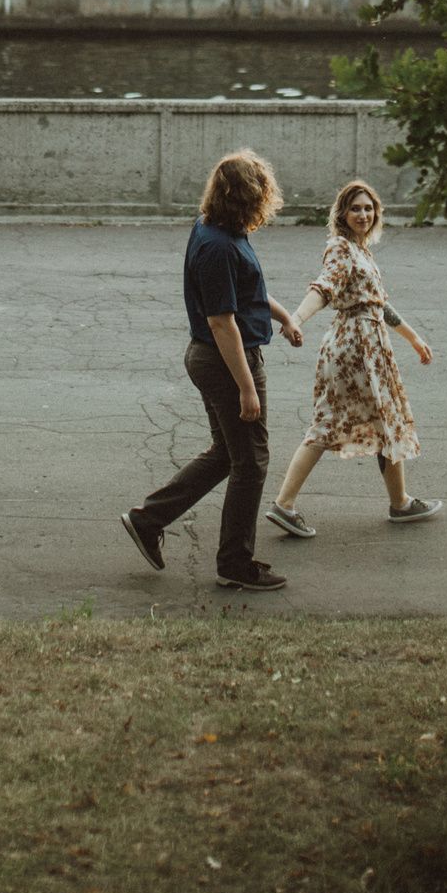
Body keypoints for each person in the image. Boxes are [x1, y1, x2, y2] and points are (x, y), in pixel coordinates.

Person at [118, 150, 305, 591]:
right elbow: (222, 323)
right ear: (247, 197)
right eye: (261, 194)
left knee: (228, 454)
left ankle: (148, 520)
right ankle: (234, 563)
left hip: (216, 359)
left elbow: (248, 293)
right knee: (252, 462)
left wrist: (285, 318)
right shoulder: (217, 245)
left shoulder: (219, 230)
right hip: (224, 363)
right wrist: (247, 388)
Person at [263, 179, 441, 537]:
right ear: (342, 214)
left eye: (368, 208)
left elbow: (379, 304)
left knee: (385, 420)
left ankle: (400, 503)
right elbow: (323, 288)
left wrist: (413, 338)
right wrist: (295, 319)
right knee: (330, 422)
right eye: (355, 208)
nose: (363, 214)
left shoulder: (361, 252)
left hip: (369, 344)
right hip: (354, 347)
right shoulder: (341, 249)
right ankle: (283, 505)